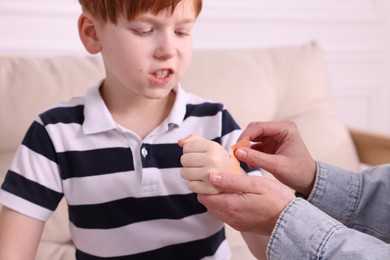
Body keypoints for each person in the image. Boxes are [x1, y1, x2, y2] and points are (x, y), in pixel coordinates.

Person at [0, 1, 262, 259]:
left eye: (181, 31)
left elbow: (269, 248)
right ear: (92, 33)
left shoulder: (215, 122)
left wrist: (230, 178)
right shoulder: (53, 133)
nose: (168, 50)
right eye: (144, 31)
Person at [185, 121, 390, 259]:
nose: (166, 53)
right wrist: (311, 176)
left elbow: (264, 246)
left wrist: (285, 221)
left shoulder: (216, 120)